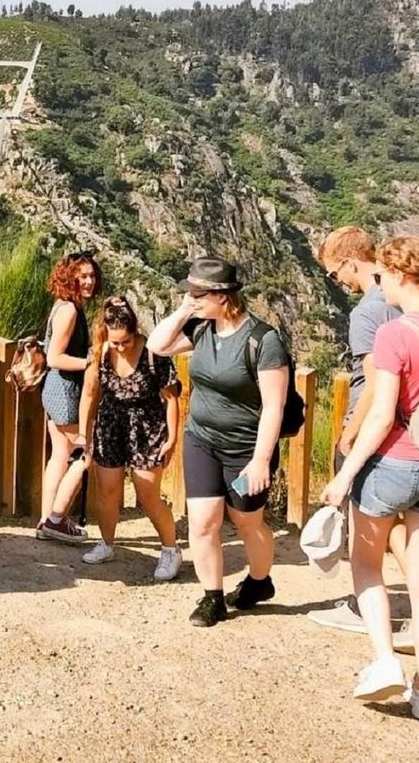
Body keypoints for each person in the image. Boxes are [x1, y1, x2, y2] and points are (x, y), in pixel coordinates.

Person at [321, 237, 419, 722]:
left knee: (366, 565)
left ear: (401, 276)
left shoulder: (394, 335)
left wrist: (345, 474)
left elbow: (383, 414)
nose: (379, 285)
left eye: (384, 276)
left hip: (392, 465)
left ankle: (385, 660)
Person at [148, 257, 287, 627]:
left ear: (224, 296)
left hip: (246, 447)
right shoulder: (200, 329)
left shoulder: (263, 340)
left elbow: (274, 407)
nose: (192, 298)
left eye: (199, 293)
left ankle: (259, 582)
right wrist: (183, 310)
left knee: (248, 523)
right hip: (202, 439)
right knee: (203, 523)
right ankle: (212, 597)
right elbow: (158, 345)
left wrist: (261, 460)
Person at [309, 226, 403, 634]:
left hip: (371, 425)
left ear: (351, 262)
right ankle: (418, 592)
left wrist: (351, 430)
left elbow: (372, 376)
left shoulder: (367, 310)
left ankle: (363, 603)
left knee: (364, 521)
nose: (338, 282)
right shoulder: (398, 301)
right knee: (391, 519)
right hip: (403, 427)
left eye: (334, 273)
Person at [77, 296, 183, 579]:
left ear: (134, 332)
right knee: (107, 491)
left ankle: (170, 549)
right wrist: (82, 435)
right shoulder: (98, 354)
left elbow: (171, 398)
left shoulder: (153, 353)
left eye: (125, 341)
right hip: (111, 424)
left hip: (147, 427)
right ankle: (107, 542)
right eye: (115, 343)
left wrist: (172, 438)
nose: (121, 347)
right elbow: (89, 395)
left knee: (147, 494)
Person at [36, 250, 102, 543]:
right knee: (85, 453)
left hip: (55, 389)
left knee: (59, 456)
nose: (89, 281)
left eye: (92, 275)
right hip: (65, 390)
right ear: (69, 277)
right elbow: (54, 357)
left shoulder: (63, 305)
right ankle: (56, 519)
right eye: (83, 276)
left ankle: (46, 521)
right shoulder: (70, 311)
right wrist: (91, 362)